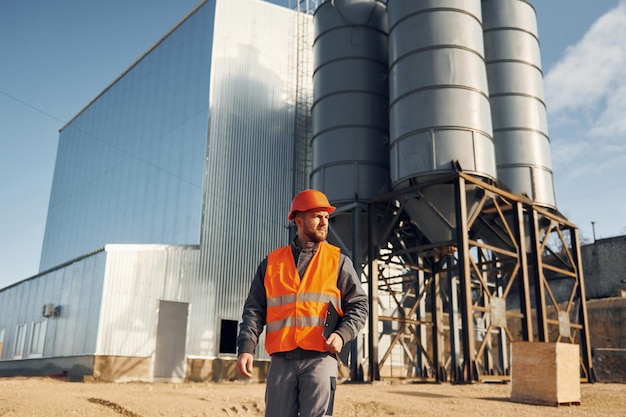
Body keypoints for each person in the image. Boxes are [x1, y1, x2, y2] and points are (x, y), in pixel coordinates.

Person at [236, 189, 369, 417]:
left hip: (321, 358)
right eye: (317, 216)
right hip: (281, 360)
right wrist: (246, 347)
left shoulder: (338, 262)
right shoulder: (271, 263)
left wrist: (342, 334)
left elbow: (359, 305)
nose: (324, 222)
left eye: (326, 217)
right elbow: (254, 309)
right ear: (298, 220)